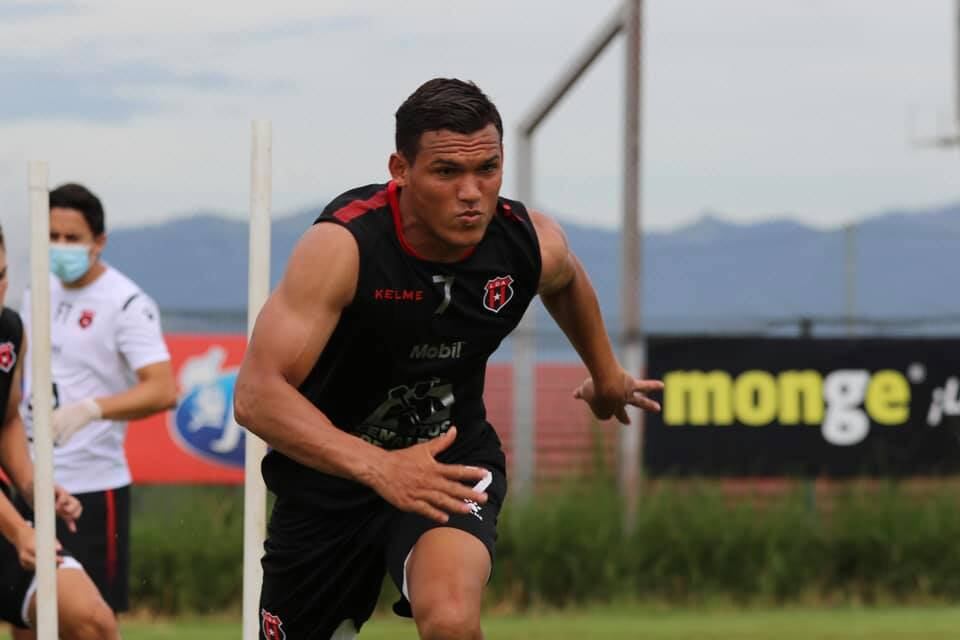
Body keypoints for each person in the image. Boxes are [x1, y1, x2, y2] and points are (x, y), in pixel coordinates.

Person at [234, 77, 664, 640]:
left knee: (451, 620)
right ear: (401, 169)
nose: (471, 192)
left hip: (448, 463)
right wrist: (382, 467)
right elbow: (257, 396)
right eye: (446, 172)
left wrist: (606, 377)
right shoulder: (343, 247)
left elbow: (566, 279)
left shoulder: (526, 241)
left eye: (488, 169)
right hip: (328, 478)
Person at [17, 184, 177, 636]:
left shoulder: (125, 303)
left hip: (90, 487)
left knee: (90, 623)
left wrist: (91, 409)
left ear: (98, 241)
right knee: (25, 618)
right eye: (52, 236)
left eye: (72, 238)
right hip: (29, 478)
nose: (60, 247)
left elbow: (163, 389)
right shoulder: (36, 291)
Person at [0, 223, 119, 639]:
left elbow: (7, 420)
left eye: (1, 275)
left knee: (94, 623)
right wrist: (19, 531)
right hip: (8, 523)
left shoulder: (10, 330)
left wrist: (34, 486)